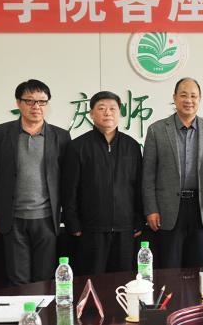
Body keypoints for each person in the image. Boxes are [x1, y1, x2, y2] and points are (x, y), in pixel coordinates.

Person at [0, 79, 71, 285]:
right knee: (18, 279)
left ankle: (43, 308)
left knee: (44, 278)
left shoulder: (61, 136)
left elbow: (67, 180)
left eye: (42, 101)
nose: (36, 106)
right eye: (30, 101)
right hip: (13, 218)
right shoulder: (1, 133)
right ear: (18, 103)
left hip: (46, 219)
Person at [142, 77, 203, 269]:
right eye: (184, 95)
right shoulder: (156, 130)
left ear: (200, 99)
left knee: (199, 266)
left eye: (193, 96)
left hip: (200, 208)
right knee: (169, 266)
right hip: (167, 209)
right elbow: (148, 175)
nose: (189, 100)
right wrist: (151, 209)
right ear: (174, 98)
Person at [62, 91, 143, 275]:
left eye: (113, 108)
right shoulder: (78, 147)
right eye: (101, 108)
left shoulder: (131, 146)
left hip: (125, 230)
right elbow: (69, 189)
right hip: (91, 230)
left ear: (120, 113)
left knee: (123, 281)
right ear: (91, 113)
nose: (108, 112)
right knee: (92, 281)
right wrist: (72, 222)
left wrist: (139, 220)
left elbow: (138, 186)